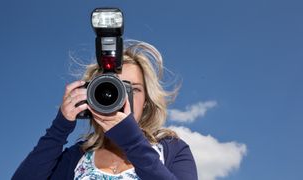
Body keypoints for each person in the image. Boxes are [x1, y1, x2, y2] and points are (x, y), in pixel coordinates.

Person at [12, 41, 198, 180]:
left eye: (132, 89)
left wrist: (132, 141)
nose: (123, 98)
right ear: (92, 95)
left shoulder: (172, 149)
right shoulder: (77, 156)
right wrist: (60, 127)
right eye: (112, 90)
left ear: (147, 101)